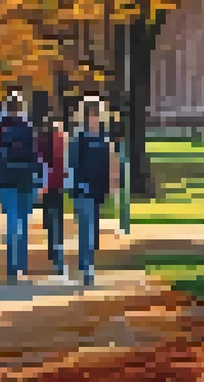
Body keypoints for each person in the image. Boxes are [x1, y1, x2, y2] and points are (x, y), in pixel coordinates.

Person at [0, 99, 46, 284]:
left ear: (6, 109)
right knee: (23, 223)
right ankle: (22, 265)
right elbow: (37, 156)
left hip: (6, 180)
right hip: (26, 180)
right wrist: (39, 179)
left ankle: (12, 266)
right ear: (21, 109)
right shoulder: (29, 129)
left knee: (11, 222)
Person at [69, 101, 114, 287]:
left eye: (95, 114)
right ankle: (87, 267)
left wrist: (111, 185)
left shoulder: (103, 139)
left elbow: (109, 164)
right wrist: (77, 186)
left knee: (92, 231)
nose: (93, 118)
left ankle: (86, 262)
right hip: (83, 190)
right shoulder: (79, 138)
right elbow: (72, 165)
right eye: (90, 114)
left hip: (98, 190)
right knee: (86, 229)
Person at [36, 96, 69, 280]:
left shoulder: (40, 141)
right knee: (58, 218)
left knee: (49, 218)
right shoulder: (61, 138)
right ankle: (57, 251)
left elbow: (38, 162)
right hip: (59, 184)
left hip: (46, 184)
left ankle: (53, 248)